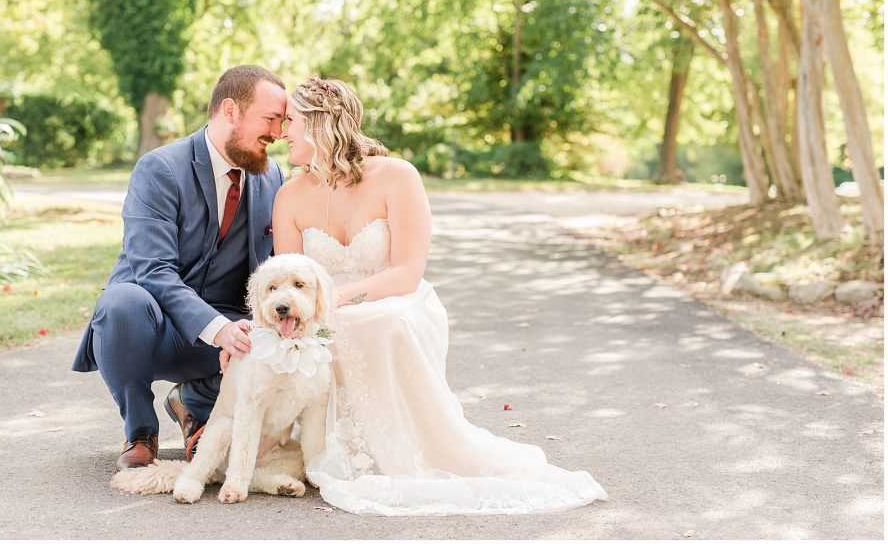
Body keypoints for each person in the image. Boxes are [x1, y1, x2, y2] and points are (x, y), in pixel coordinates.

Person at [270, 75, 607, 515]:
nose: (281, 132)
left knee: (385, 322)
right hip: (326, 313)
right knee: (330, 329)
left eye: (290, 121)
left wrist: (338, 299)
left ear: (319, 124)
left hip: (397, 302)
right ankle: (339, 445)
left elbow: (407, 273)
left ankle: (408, 451)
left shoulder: (396, 176)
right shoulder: (289, 195)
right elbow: (288, 280)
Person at [72, 65, 287, 470]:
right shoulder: (160, 168)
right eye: (270, 119)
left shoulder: (271, 175)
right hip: (152, 328)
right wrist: (217, 328)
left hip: (227, 335)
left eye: (282, 121)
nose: (277, 133)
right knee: (122, 302)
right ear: (230, 111)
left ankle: (194, 405)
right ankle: (140, 430)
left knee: (275, 324)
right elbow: (152, 270)